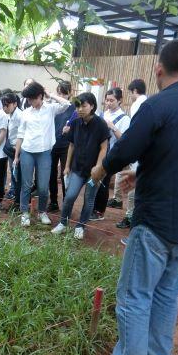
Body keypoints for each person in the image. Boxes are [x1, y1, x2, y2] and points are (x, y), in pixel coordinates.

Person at [85, 39, 178, 355]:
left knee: (134, 295)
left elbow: (126, 149)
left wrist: (100, 171)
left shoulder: (156, 105)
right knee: (166, 294)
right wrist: (141, 176)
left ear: (158, 69)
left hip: (157, 220)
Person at [50, 93, 109, 240]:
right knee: (69, 197)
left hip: (94, 171)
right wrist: (67, 166)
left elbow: (104, 148)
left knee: (89, 200)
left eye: (84, 105)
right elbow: (71, 145)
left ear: (92, 106)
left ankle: (80, 226)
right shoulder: (75, 123)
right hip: (77, 168)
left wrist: (98, 168)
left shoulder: (101, 124)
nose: (80, 109)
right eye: (78, 106)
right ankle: (63, 223)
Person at [14, 81, 71, 227]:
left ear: (40, 96)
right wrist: (16, 156)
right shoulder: (26, 113)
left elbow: (67, 104)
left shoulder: (51, 109)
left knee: (43, 186)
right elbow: (20, 134)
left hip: (45, 153)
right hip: (27, 152)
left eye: (32, 98)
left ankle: (42, 212)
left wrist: (49, 94)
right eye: (28, 99)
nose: (30, 102)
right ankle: (25, 213)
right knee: (26, 184)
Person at [110, 78, 147, 230]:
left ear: (134, 91)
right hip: (146, 154)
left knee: (133, 190)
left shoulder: (137, 104)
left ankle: (131, 219)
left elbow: (135, 131)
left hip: (140, 153)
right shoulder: (149, 102)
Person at [92, 88, 131, 220]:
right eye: (107, 100)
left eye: (111, 100)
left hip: (112, 154)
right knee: (94, 180)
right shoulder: (103, 114)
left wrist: (113, 127)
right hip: (99, 152)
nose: (108, 103)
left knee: (104, 182)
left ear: (119, 101)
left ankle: (99, 211)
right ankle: (92, 207)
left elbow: (125, 140)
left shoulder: (124, 118)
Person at [48, 81, 77, 212]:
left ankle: (67, 203)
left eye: (64, 93)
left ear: (70, 93)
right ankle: (53, 201)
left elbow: (78, 127)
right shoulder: (52, 107)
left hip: (67, 146)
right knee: (51, 174)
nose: (62, 95)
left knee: (65, 175)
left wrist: (70, 130)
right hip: (53, 145)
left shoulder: (74, 107)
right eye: (59, 93)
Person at [1, 92, 23, 210]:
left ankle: (20, 202)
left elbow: (22, 135)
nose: (4, 108)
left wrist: (17, 154)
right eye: (3, 105)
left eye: (7, 105)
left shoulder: (20, 116)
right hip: (11, 149)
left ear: (14, 104)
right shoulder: (10, 115)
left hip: (18, 150)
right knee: (14, 174)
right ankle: (17, 199)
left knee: (18, 176)